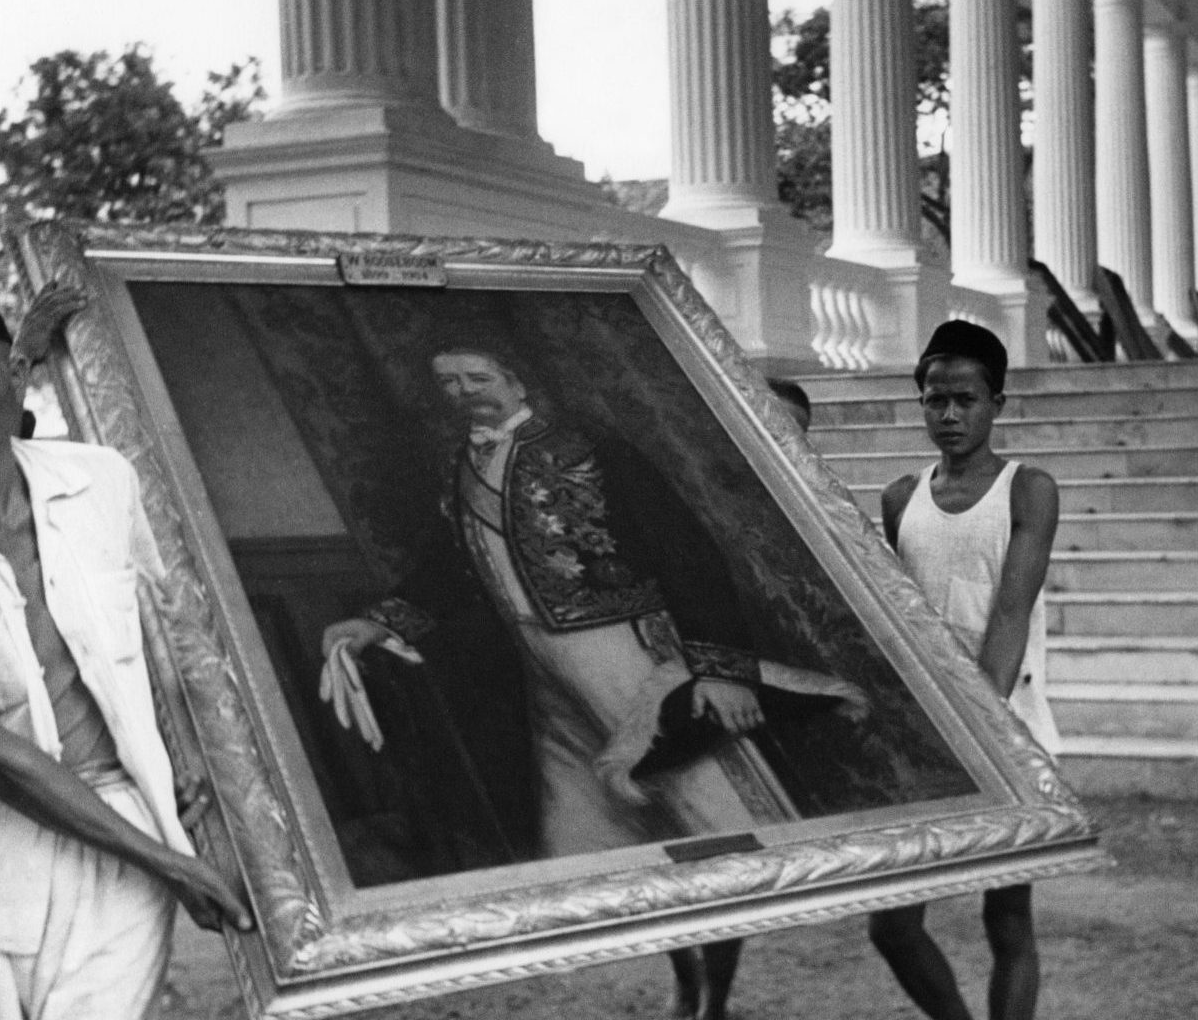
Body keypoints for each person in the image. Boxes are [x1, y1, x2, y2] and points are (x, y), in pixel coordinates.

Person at [317, 343, 863, 1020]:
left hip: (632, 657)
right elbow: (447, 568)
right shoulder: (459, 462)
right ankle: (686, 982)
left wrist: (719, 669)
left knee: (704, 819)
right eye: (448, 382)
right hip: (543, 670)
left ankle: (715, 995)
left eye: (478, 377)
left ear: (515, 377)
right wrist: (377, 621)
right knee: (599, 835)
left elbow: (685, 549)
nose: (464, 392)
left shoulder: (591, 447)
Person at [0, 259, 251, 1020]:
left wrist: (192, 768)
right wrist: (170, 863)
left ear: (15, 374)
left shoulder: (103, 481)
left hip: (128, 810)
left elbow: (172, 635)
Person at [869, 320, 1061, 1020]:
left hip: (1006, 728)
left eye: (965, 400)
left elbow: (1010, 611)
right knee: (892, 924)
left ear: (997, 403)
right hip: (924, 732)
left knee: (1007, 923)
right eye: (934, 400)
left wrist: (978, 726)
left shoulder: (1027, 490)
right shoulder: (900, 498)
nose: (948, 415)